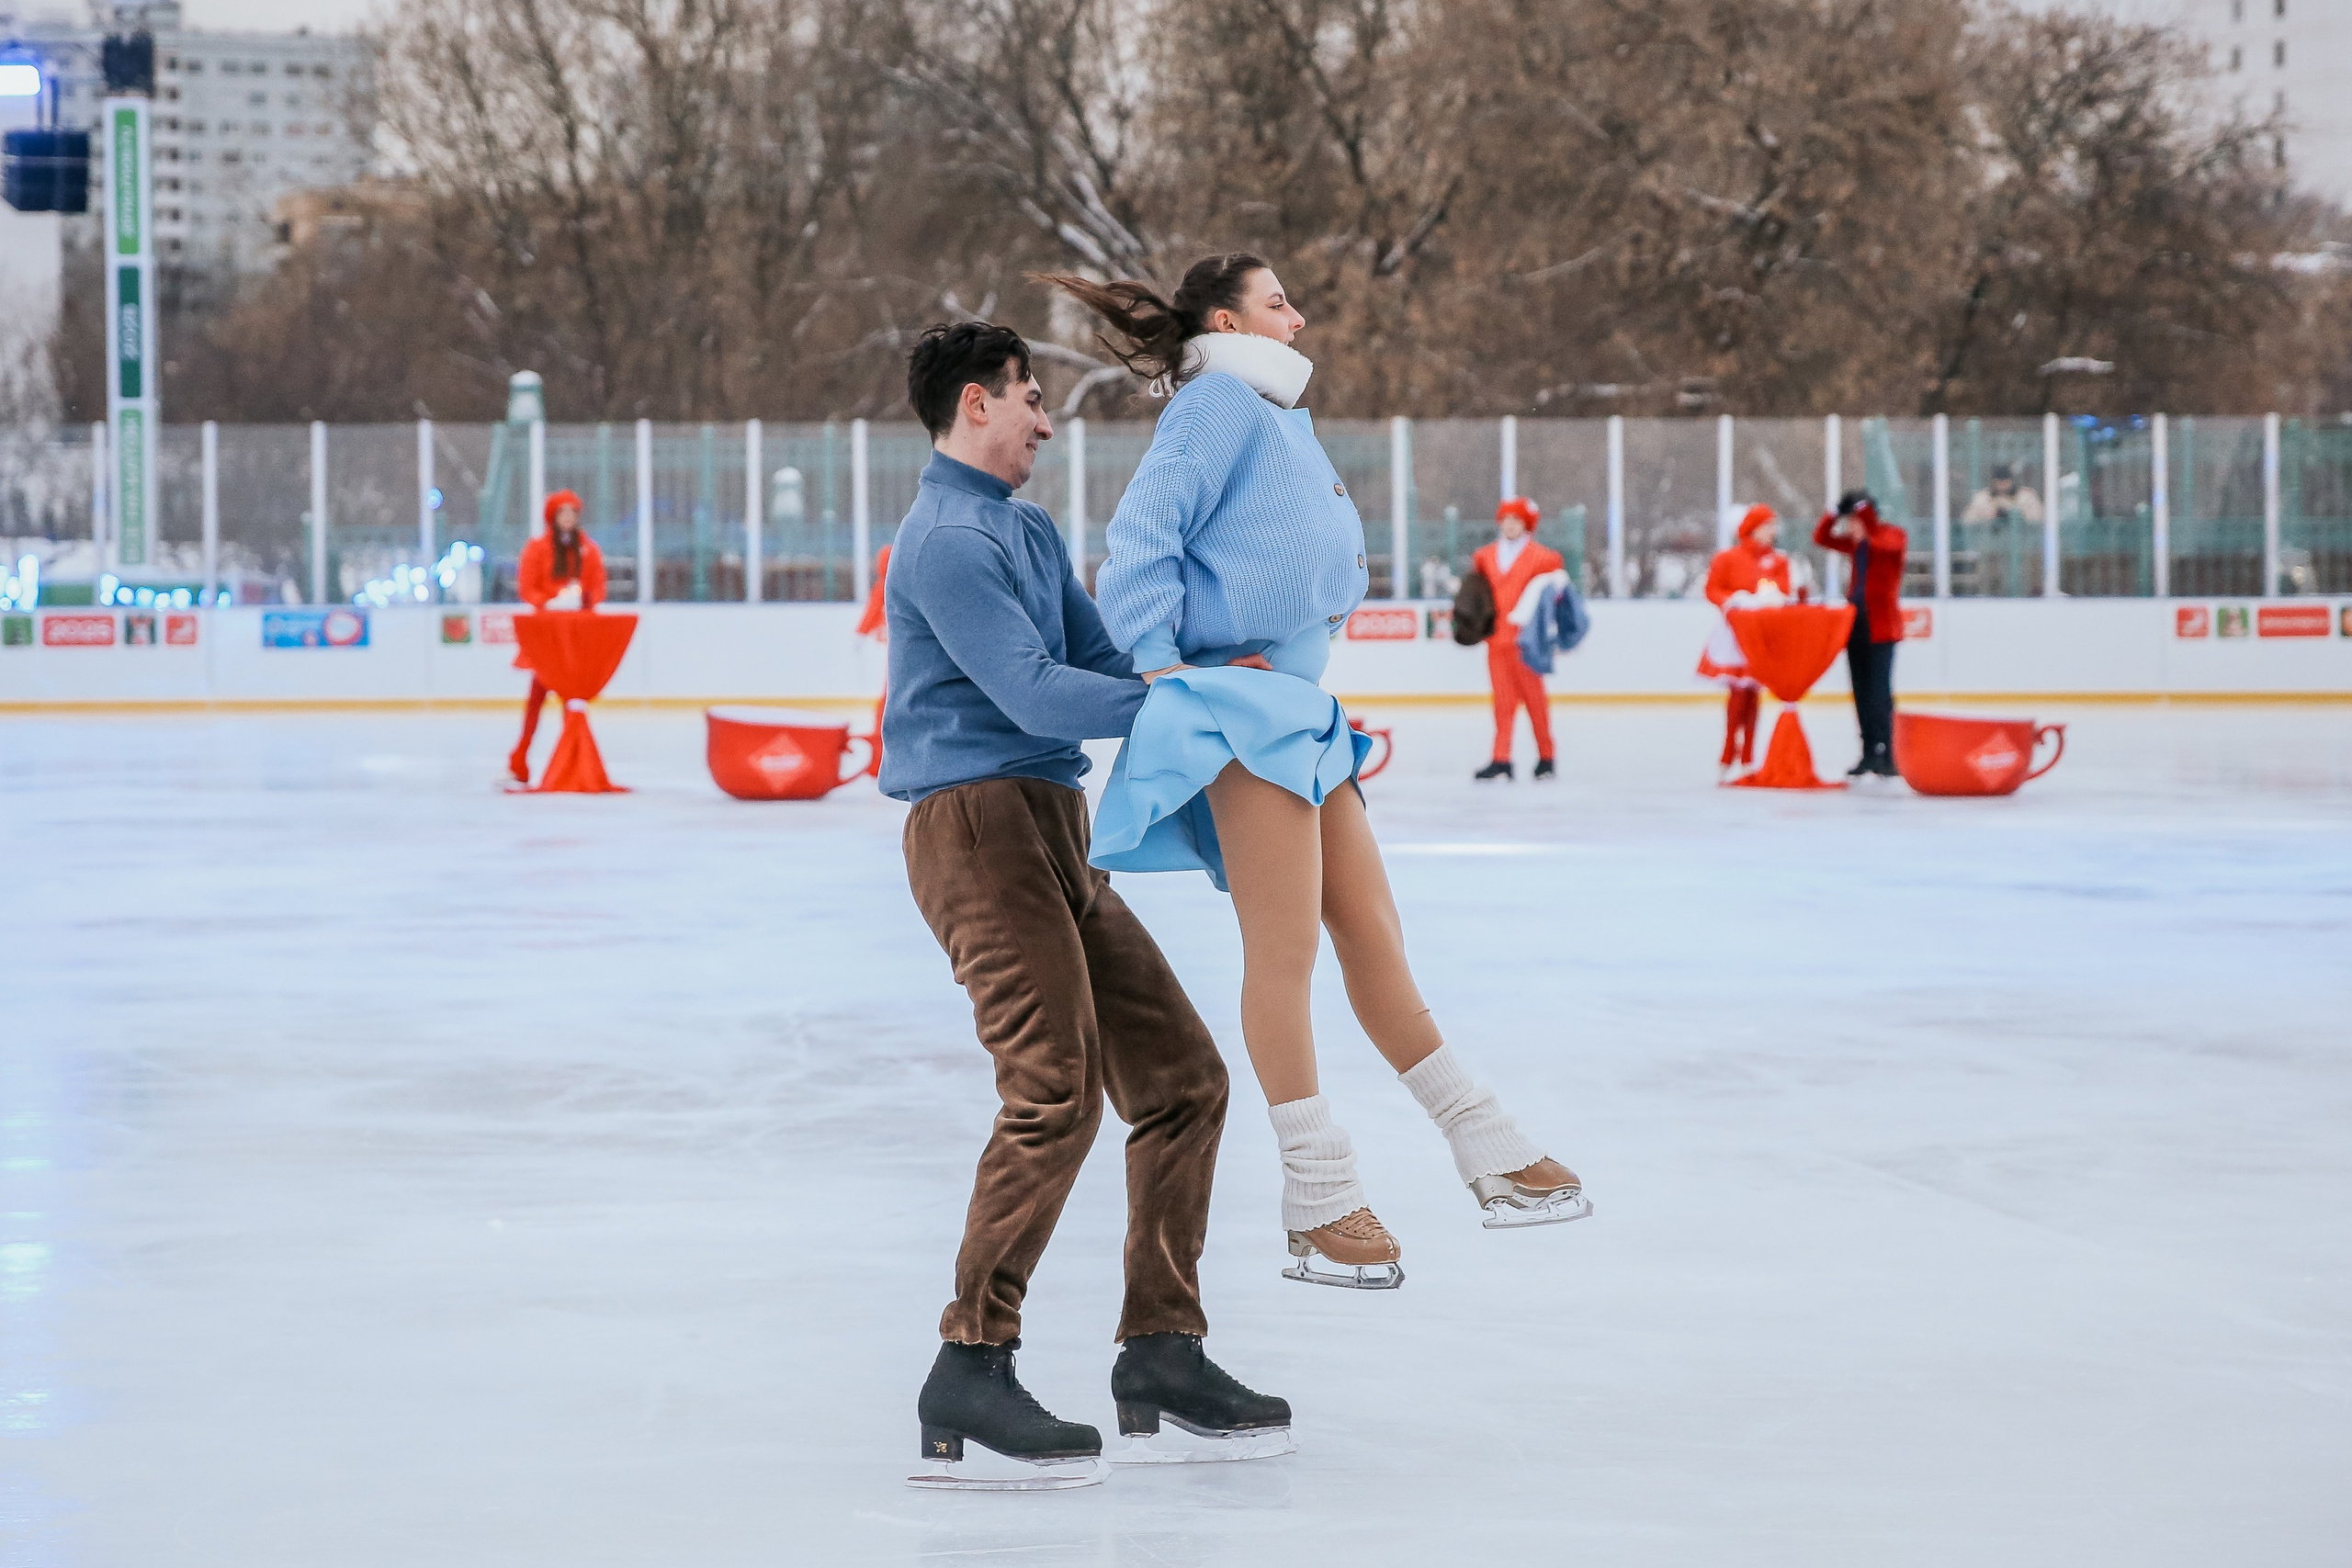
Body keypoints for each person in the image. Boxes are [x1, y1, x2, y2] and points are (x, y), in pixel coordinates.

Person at [1043, 254, 1589, 1295]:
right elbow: (1142, 535)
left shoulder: (1267, 411)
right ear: (1225, 321)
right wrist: (1164, 667)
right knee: (1285, 950)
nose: (1298, 317)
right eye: (1277, 302)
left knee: (1372, 932)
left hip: (1296, 707)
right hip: (1241, 710)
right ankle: (1318, 1193)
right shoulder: (1215, 405)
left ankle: (1483, 1139)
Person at [880, 321, 1288, 1490]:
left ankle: (1160, 1348)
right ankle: (970, 1362)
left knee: (1182, 1081)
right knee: (1053, 1090)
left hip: (1051, 824)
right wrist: (1191, 699)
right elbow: (1034, 693)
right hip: (975, 830)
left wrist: (1205, 674)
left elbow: (1103, 659)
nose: (1047, 423)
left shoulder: (1022, 527)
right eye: (1030, 399)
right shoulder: (946, 541)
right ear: (975, 404)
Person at [507, 490, 606, 784]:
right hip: (547, 634)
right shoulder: (537, 549)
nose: (568, 519)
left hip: (575, 634)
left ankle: (572, 760)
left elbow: (597, 586)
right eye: (562, 513)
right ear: (552, 517)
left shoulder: (588, 550)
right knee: (537, 697)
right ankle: (520, 758)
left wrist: (583, 600)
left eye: (572, 513)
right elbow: (527, 586)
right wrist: (549, 602)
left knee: (572, 700)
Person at [1814, 489, 1907, 778]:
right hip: (1856, 627)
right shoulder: (1857, 546)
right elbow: (1821, 537)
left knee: (1879, 693)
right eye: (1850, 522)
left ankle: (1889, 753)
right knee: (1861, 692)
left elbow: (1883, 544)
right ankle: (1868, 752)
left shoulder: (1891, 536)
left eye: (1855, 521)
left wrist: (1863, 511)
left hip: (1882, 628)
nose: (1851, 528)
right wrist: (1834, 512)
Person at [1471, 497, 1566, 781]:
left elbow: (1557, 597)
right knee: (1502, 703)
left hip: (1528, 643)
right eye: (1506, 519)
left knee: (1535, 702)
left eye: (1516, 520)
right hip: (1496, 641)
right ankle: (1501, 758)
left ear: (1527, 524)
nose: (1510, 525)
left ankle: (1546, 757)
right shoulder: (1485, 556)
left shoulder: (1545, 558)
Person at [1698, 505, 1792, 781]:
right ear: (1754, 528)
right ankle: (1729, 751)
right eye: (1767, 525)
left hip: (1761, 633)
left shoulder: (1778, 560)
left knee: (1753, 693)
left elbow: (1783, 590)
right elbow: (1713, 588)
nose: (1772, 531)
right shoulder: (1728, 558)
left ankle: (1748, 755)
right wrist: (1733, 602)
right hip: (1736, 633)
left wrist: (1771, 600)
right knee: (1738, 694)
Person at [1960, 464, 2043, 527]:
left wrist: (2016, 513)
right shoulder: (1982, 498)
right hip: (1990, 541)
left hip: (2021, 540)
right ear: (1993, 482)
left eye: (2005, 481)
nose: (2002, 485)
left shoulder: (2026, 496)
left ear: (2012, 481)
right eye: (1999, 482)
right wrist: (1989, 515)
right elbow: (1967, 521)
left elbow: (2038, 518)